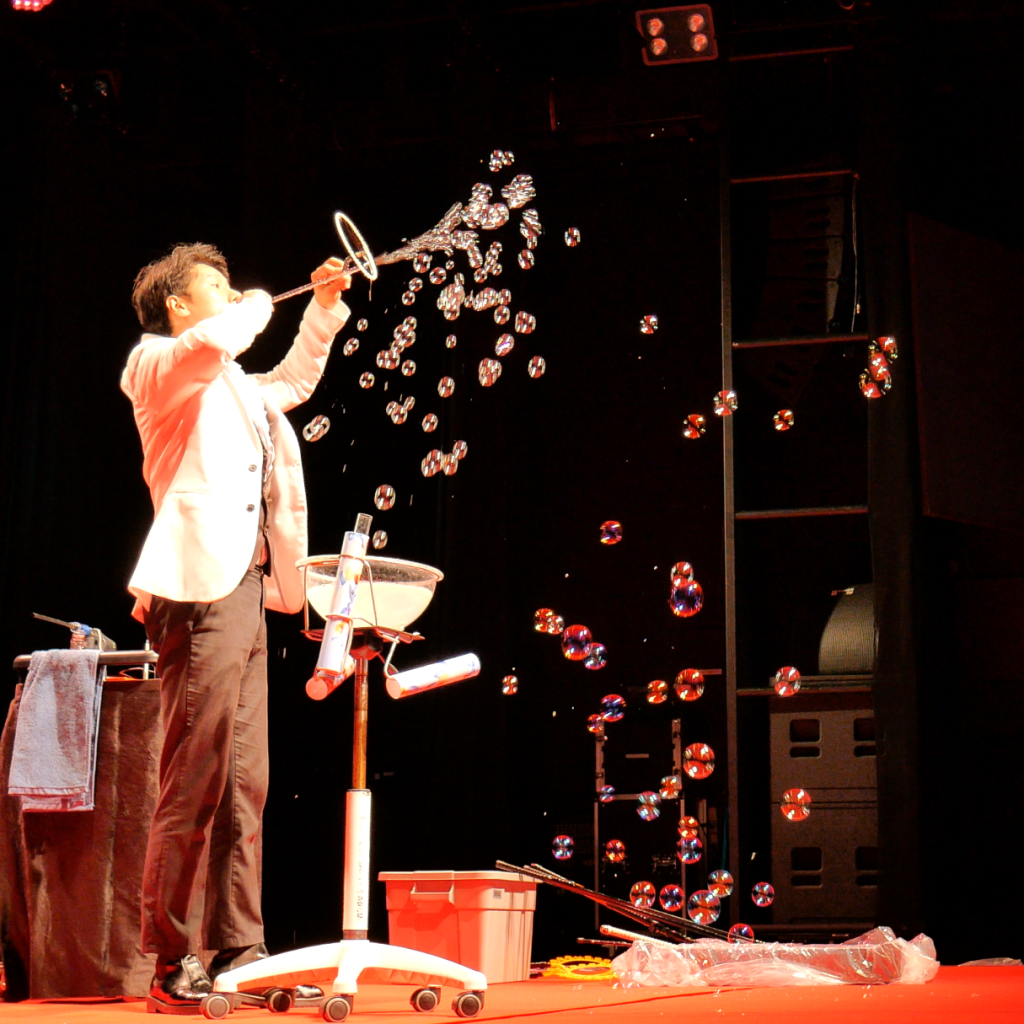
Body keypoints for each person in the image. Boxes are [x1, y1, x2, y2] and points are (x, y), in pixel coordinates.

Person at [122, 243, 351, 1014]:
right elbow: (215, 340)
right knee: (195, 775)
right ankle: (170, 959)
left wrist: (321, 306)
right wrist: (253, 304)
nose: (233, 294)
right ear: (179, 305)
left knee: (245, 782)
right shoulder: (156, 367)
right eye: (215, 286)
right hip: (199, 592)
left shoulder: (232, 386)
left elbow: (290, 383)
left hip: (247, 588)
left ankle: (239, 951)